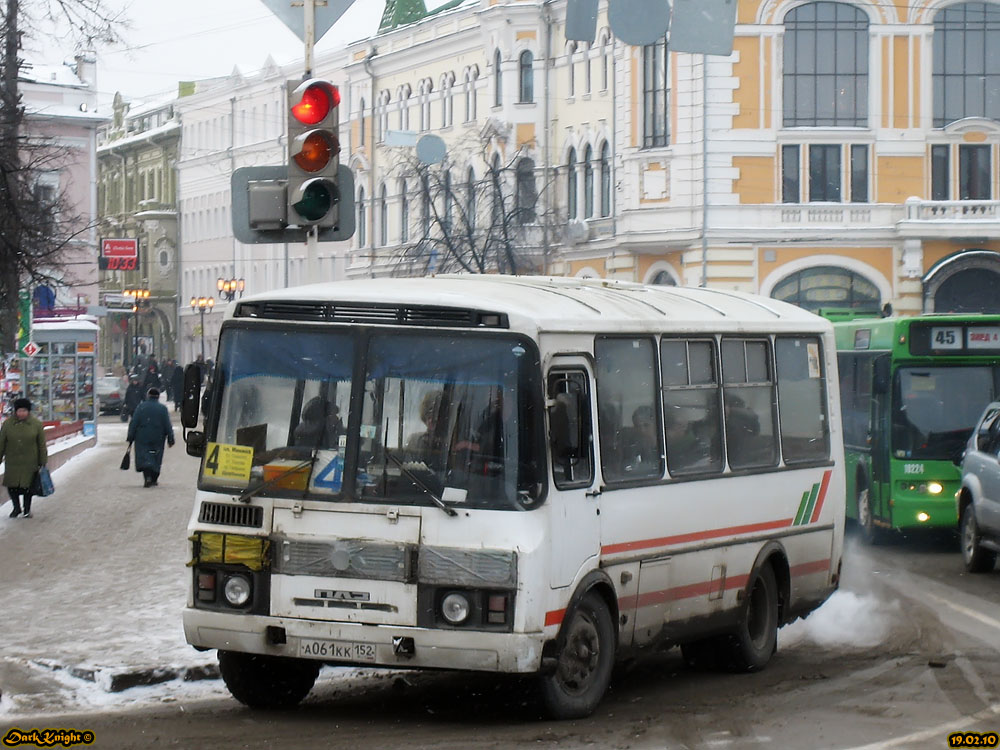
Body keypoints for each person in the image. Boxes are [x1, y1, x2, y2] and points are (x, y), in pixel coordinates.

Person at [0, 398, 47, 519]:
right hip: (13, 461)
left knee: (28, 487)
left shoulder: (36, 424)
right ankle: (16, 508)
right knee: (12, 486)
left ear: (28, 411)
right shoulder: (7, 424)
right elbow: (1, 443)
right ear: (15, 411)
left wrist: (43, 461)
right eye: (19, 410)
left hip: (30, 461)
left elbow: (41, 444)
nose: (21, 413)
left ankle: (27, 509)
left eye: (24, 410)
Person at [128, 387, 175, 488]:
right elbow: (167, 424)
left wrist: (130, 436)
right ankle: (154, 477)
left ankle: (147, 476)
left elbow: (134, 422)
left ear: (148, 396)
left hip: (142, 436)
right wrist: (170, 438)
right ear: (158, 397)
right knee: (156, 456)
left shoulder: (141, 407)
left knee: (144, 455)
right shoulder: (162, 409)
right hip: (158, 436)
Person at [619, 405, 661, 476]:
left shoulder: (665, 448)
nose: (642, 430)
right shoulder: (631, 448)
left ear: (655, 425)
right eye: (637, 426)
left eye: (646, 425)